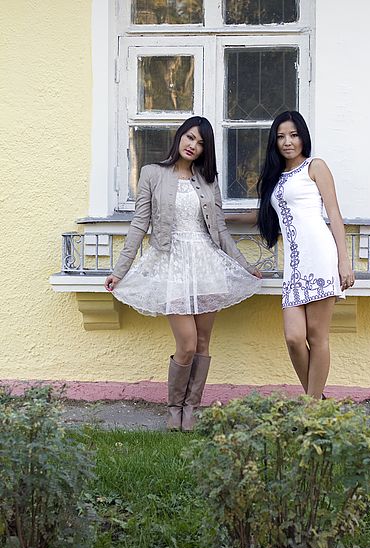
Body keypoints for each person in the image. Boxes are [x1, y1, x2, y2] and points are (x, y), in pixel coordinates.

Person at [104, 116, 262, 431]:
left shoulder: (207, 181)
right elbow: (139, 224)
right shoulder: (151, 173)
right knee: (187, 343)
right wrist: (120, 270)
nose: (193, 145)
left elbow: (218, 229)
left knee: (203, 341)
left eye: (201, 142)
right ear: (180, 137)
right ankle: (173, 405)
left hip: (205, 263)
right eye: (190, 137)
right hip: (172, 263)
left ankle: (189, 408)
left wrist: (245, 267)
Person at [255, 110, 354, 399]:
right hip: (294, 269)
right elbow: (264, 214)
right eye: (281, 136)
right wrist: (221, 216)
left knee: (317, 337)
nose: (288, 142)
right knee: (294, 338)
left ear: (303, 137)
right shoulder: (276, 178)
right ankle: (318, 402)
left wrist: (344, 262)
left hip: (322, 258)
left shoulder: (315, 166)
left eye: (294, 135)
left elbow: (334, 214)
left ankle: (311, 409)